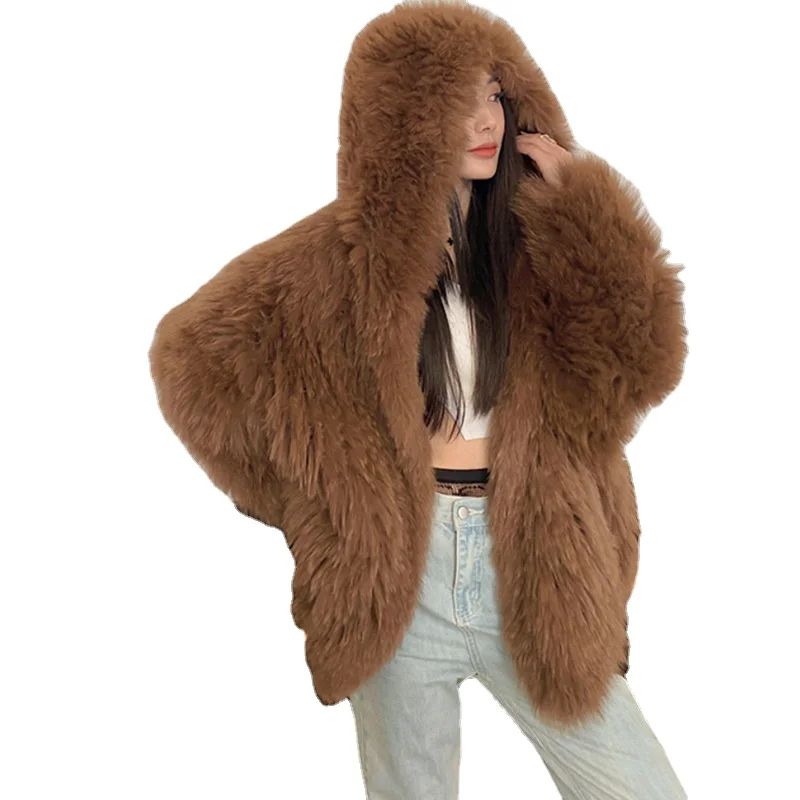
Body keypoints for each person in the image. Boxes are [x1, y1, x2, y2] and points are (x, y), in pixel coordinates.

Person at [148, 2, 689, 797]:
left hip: (535, 559)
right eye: (457, 99)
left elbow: (642, 365)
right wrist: (319, 503)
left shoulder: (542, 244)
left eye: (495, 93)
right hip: (399, 570)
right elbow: (189, 362)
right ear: (401, 119)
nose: (487, 120)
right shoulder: (330, 262)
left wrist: (586, 208)